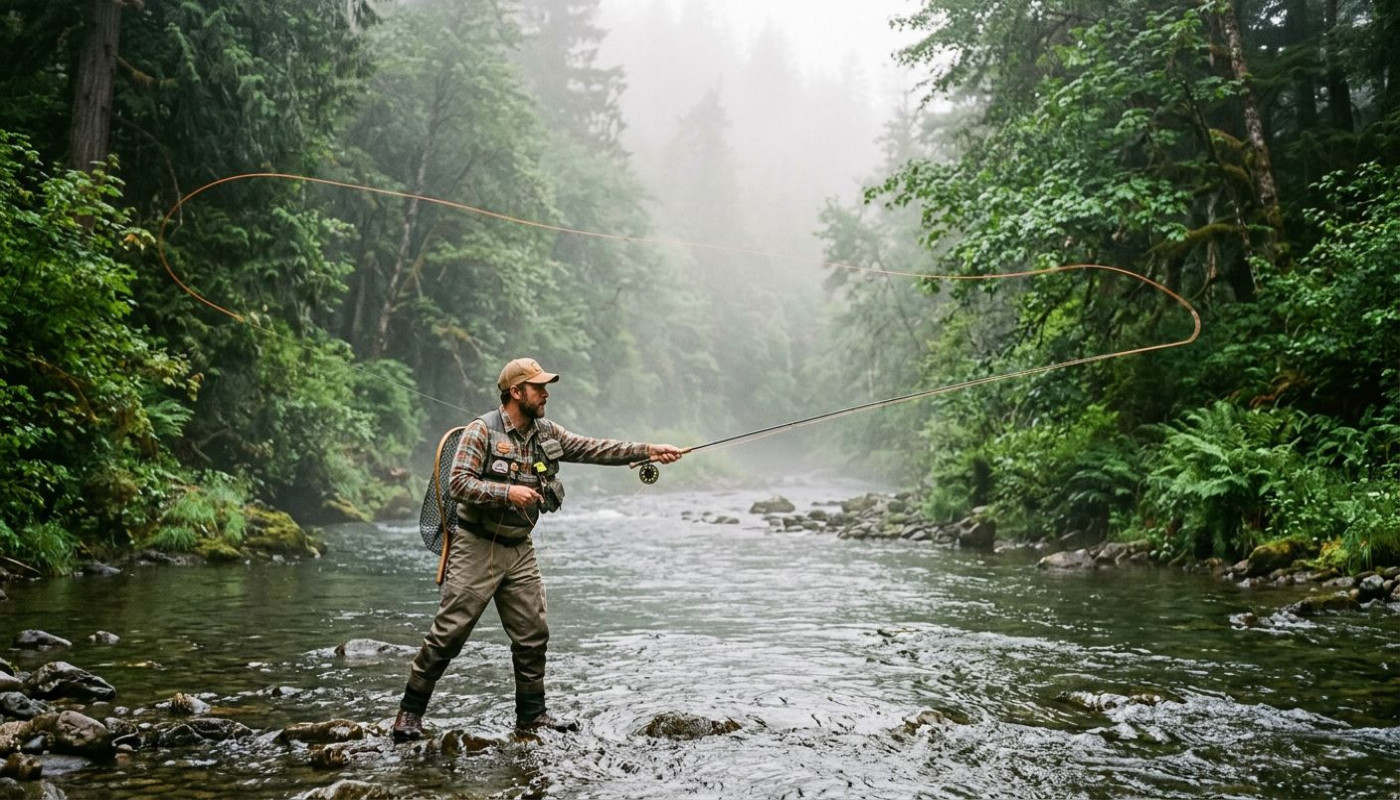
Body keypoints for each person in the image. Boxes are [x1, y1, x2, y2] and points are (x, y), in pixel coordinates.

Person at [392, 357, 683, 740]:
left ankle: (532, 716)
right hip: (477, 543)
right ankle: (409, 715)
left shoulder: (547, 433)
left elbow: (595, 448)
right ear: (516, 392)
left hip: (519, 546)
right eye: (538, 387)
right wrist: (506, 491)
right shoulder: (482, 431)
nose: (546, 394)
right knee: (449, 633)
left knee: (533, 634)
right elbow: (457, 483)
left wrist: (647, 450)